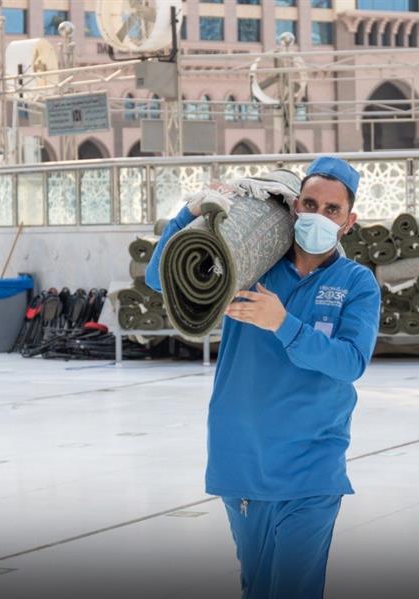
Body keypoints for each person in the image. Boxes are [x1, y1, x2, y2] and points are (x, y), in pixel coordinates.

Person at [145, 156, 381, 599]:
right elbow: (158, 278)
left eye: (332, 210)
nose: (318, 216)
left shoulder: (356, 283)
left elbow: (351, 362)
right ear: (294, 208)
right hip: (243, 463)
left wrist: (282, 322)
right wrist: (190, 212)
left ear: (349, 222)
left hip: (311, 470)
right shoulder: (252, 266)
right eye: (309, 204)